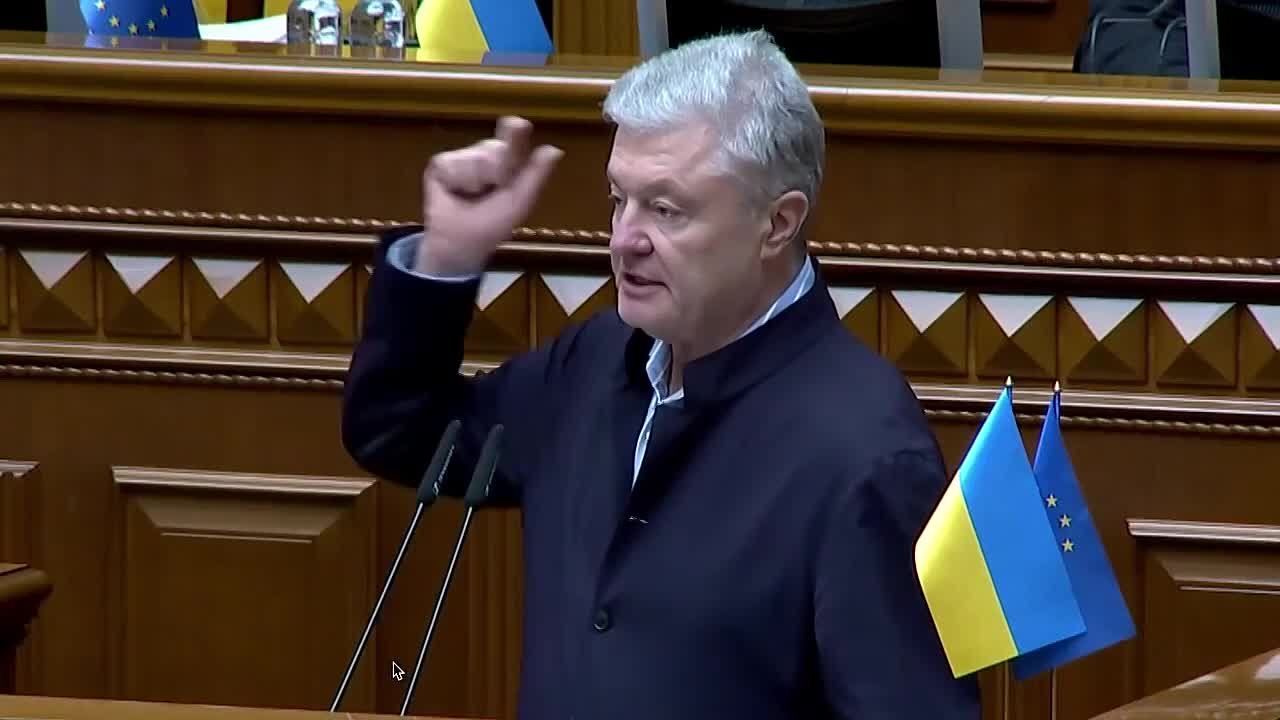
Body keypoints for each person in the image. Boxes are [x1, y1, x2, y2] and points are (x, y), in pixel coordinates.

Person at [342, 30, 980, 720]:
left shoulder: (866, 453)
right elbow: (401, 434)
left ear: (777, 224)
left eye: (666, 210)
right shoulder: (597, 359)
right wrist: (445, 258)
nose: (624, 239)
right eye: (619, 199)